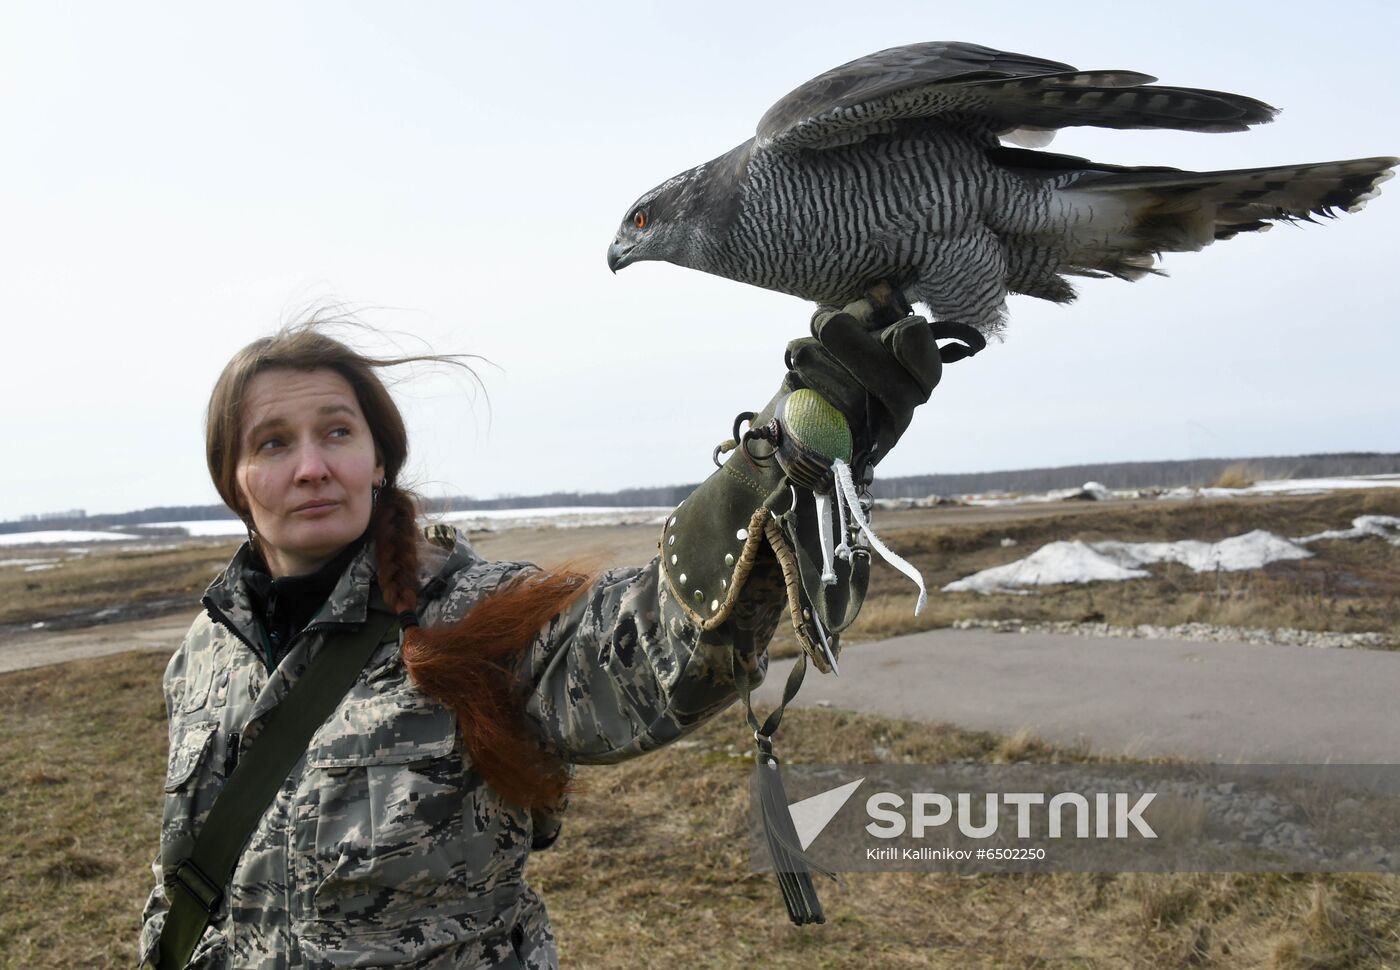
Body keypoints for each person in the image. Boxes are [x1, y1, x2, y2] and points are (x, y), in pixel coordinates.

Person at [139, 296, 946, 969]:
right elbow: (184, 886)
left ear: (379, 460)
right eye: (273, 443)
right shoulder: (204, 657)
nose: (312, 465)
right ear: (233, 481)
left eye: (338, 432)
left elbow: (650, 646)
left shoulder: (478, 613)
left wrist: (785, 458)